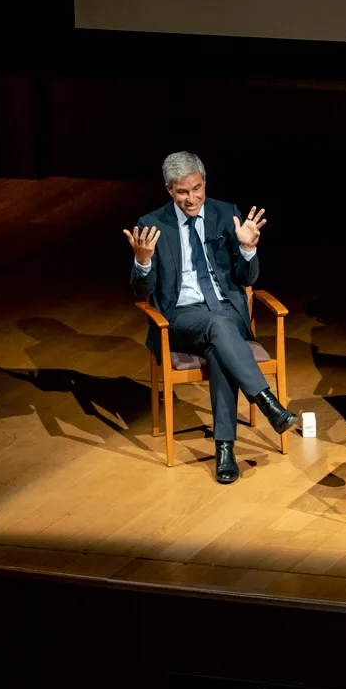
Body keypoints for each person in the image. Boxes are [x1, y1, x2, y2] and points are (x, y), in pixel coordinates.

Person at [125, 151, 296, 484]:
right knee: (218, 328)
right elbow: (140, 290)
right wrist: (142, 262)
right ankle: (267, 402)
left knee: (221, 346)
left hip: (227, 312)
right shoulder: (152, 224)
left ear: (205, 182)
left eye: (197, 189)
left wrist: (248, 250)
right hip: (182, 316)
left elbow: (246, 280)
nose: (192, 198)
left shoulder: (226, 214)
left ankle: (225, 450)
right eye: (182, 192)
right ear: (168, 190)